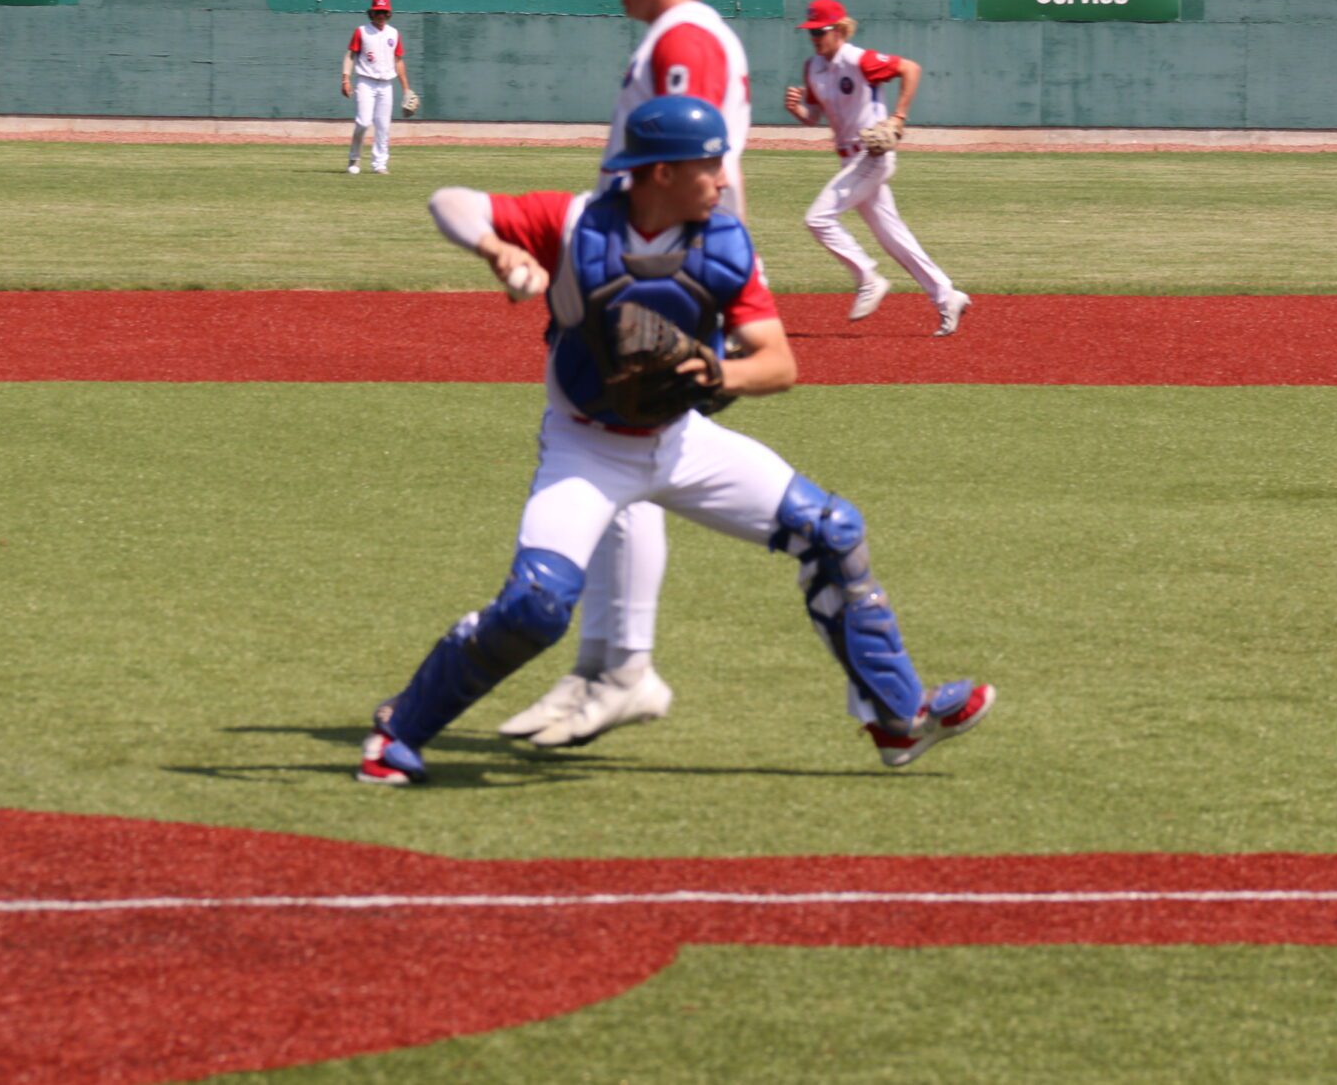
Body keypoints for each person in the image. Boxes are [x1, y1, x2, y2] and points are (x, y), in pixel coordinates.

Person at [357, 95, 994, 787]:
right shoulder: (575, 223)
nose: (724, 178)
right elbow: (450, 200)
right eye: (710, 163)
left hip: (683, 439)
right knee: (537, 604)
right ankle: (399, 734)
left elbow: (779, 363)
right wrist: (499, 249)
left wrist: (723, 372)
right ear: (660, 171)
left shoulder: (723, 244)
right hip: (586, 448)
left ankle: (898, 719)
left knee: (832, 529)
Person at [493, 0, 756, 750]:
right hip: (655, 264)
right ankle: (601, 666)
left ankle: (624, 665)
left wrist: (685, 277)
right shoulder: (677, 32)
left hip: (664, 271)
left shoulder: (683, 35)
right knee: (617, 450)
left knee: (621, 442)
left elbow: (699, 158)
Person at [784, 0, 970, 336]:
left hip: (872, 155)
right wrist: (798, 110)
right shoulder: (813, 68)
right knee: (894, 239)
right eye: (810, 32)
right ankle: (947, 296)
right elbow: (814, 117)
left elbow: (909, 69)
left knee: (818, 218)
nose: (814, 37)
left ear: (839, 29)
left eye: (820, 31)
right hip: (850, 160)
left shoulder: (860, 60)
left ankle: (868, 277)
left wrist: (898, 116)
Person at [340, 0, 418, 175]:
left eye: (384, 12)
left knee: (383, 126)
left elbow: (398, 61)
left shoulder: (394, 33)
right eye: (378, 12)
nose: (381, 15)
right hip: (366, 81)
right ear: (371, 13)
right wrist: (345, 78)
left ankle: (380, 164)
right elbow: (350, 56)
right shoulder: (362, 31)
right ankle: (354, 158)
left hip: (386, 84)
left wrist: (406, 88)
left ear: (389, 14)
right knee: (363, 122)